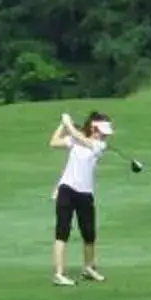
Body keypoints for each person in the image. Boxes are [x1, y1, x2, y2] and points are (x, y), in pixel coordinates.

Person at [49, 111, 112, 286]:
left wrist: (68, 123)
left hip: (86, 193)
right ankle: (59, 274)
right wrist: (62, 125)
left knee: (89, 234)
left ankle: (89, 268)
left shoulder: (99, 145)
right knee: (62, 231)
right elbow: (53, 143)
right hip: (67, 189)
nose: (106, 135)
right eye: (103, 131)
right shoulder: (76, 140)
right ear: (93, 128)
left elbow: (80, 137)